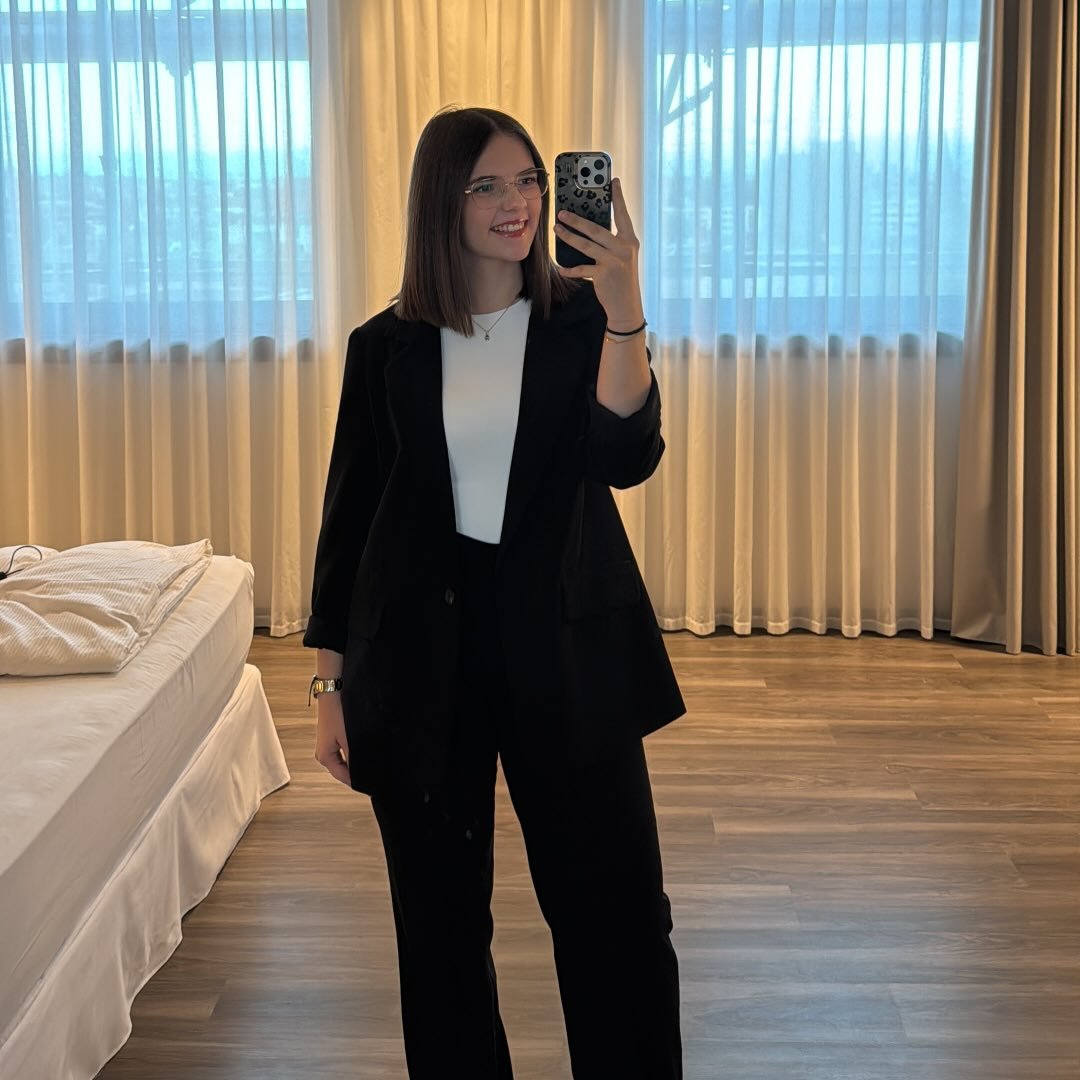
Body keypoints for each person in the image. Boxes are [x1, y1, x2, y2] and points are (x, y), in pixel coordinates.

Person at [303, 106, 686, 1080]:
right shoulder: (384, 345)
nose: (517, 203)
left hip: (567, 646)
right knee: (438, 936)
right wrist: (329, 685)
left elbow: (626, 456)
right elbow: (351, 522)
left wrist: (627, 306)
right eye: (487, 185)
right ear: (443, 201)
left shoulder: (584, 323)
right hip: (417, 661)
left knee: (618, 923)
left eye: (528, 181)